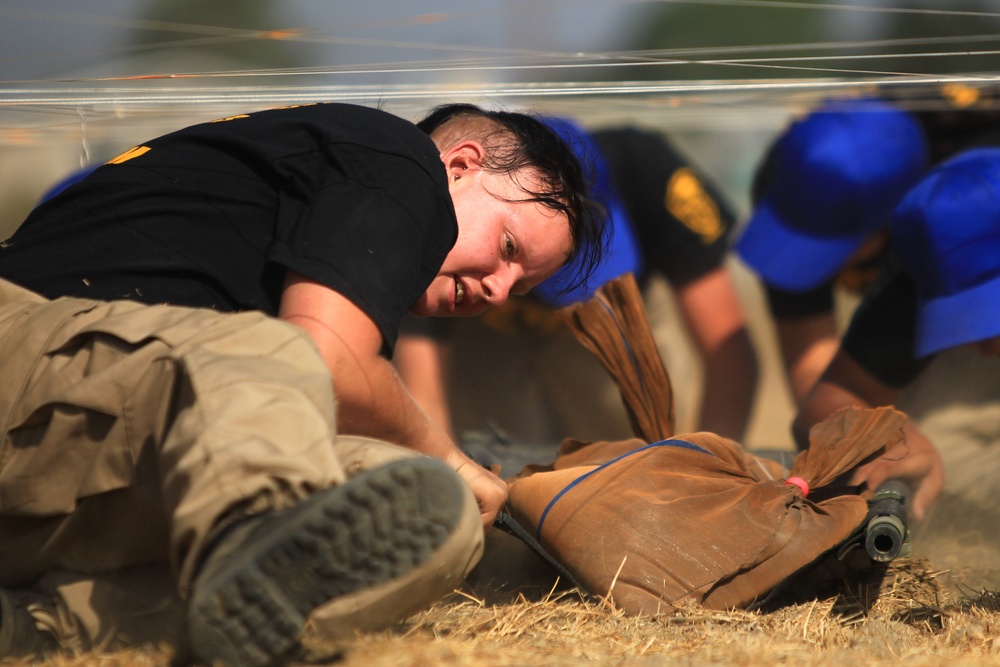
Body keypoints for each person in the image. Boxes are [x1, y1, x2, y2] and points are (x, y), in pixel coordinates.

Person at [0, 102, 603, 664]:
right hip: (24, 353)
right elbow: (329, 360)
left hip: (73, 463)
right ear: (460, 165)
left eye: (519, 287)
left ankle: (44, 622)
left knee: (430, 503)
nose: (499, 290)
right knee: (286, 357)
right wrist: (451, 456)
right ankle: (242, 544)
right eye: (506, 247)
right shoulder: (395, 160)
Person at [396, 117, 759, 445]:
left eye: (551, 268)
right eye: (510, 247)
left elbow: (728, 350)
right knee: (495, 450)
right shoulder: (429, 216)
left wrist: (712, 463)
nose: (503, 286)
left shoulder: (651, 173)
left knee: (633, 450)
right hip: (481, 332)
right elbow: (423, 397)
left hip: (616, 325)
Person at [795, 147, 1000, 522]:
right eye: (964, 319)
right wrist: (891, 436)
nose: (987, 348)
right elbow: (826, 403)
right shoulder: (929, 254)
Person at [735, 98, 930, 408]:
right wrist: (840, 432)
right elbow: (813, 363)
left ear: (885, 229)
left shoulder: (959, 206)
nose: (797, 257)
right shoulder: (794, 170)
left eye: (826, 245)